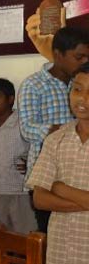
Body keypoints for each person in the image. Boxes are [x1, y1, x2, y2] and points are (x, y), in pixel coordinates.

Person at [28, 62, 89, 264]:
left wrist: (61, 188)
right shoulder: (56, 139)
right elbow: (40, 199)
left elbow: (50, 190)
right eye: (77, 89)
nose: (82, 99)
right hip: (64, 251)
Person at [18, 27, 89, 232]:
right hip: (48, 177)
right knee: (52, 233)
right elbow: (27, 129)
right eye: (79, 57)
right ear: (58, 54)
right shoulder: (34, 84)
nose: (85, 61)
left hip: (82, 175)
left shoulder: (82, 81)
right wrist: (66, 130)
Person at [0, 78, 36, 233]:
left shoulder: (23, 122)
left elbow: (39, 146)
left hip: (19, 190)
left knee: (23, 234)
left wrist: (32, 162)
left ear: (11, 99)